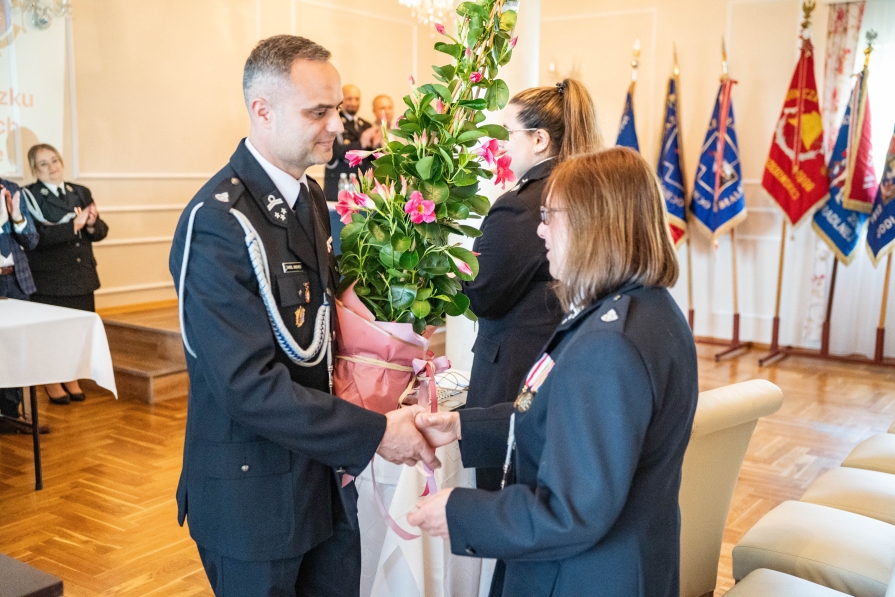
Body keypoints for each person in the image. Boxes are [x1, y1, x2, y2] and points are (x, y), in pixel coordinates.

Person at [168, 35, 439, 597]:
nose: (336, 125)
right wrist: (374, 432)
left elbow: (320, 333)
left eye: (336, 109)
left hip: (322, 478)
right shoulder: (218, 221)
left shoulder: (309, 198)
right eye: (317, 112)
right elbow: (246, 385)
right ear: (262, 111)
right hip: (254, 498)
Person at [409, 148, 700, 597]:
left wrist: (460, 512)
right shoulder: (645, 309)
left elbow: (572, 510)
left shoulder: (610, 346)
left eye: (549, 216)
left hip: (583, 578)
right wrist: (464, 425)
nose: (540, 230)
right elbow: (560, 419)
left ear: (594, 223)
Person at [461, 78, 600, 489]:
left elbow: (483, 295)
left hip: (513, 374)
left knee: (502, 493)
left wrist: (453, 275)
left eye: (509, 132)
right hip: (557, 357)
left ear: (539, 140)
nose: (503, 144)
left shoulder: (521, 206)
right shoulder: (583, 190)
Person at [24, 144, 109, 405]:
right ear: (34, 169)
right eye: (44, 164)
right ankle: (52, 380)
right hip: (50, 279)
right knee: (52, 335)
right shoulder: (29, 196)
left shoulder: (80, 191)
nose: (52, 167)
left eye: (54, 160)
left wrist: (92, 224)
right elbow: (34, 239)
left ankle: (71, 377)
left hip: (81, 275)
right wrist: (73, 226)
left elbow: (100, 231)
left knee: (76, 334)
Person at [0, 179, 48, 435]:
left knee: (16, 350)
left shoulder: (12, 189)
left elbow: (31, 240)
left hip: (16, 281)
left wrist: (17, 217)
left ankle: (11, 415)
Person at [323, 84, 372, 201]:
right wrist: (361, 144)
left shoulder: (366, 125)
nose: (353, 103)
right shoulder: (332, 122)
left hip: (361, 187)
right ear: (341, 100)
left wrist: (377, 146)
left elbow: (371, 158)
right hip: (338, 185)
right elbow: (333, 151)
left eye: (357, 99)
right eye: (349, 99)